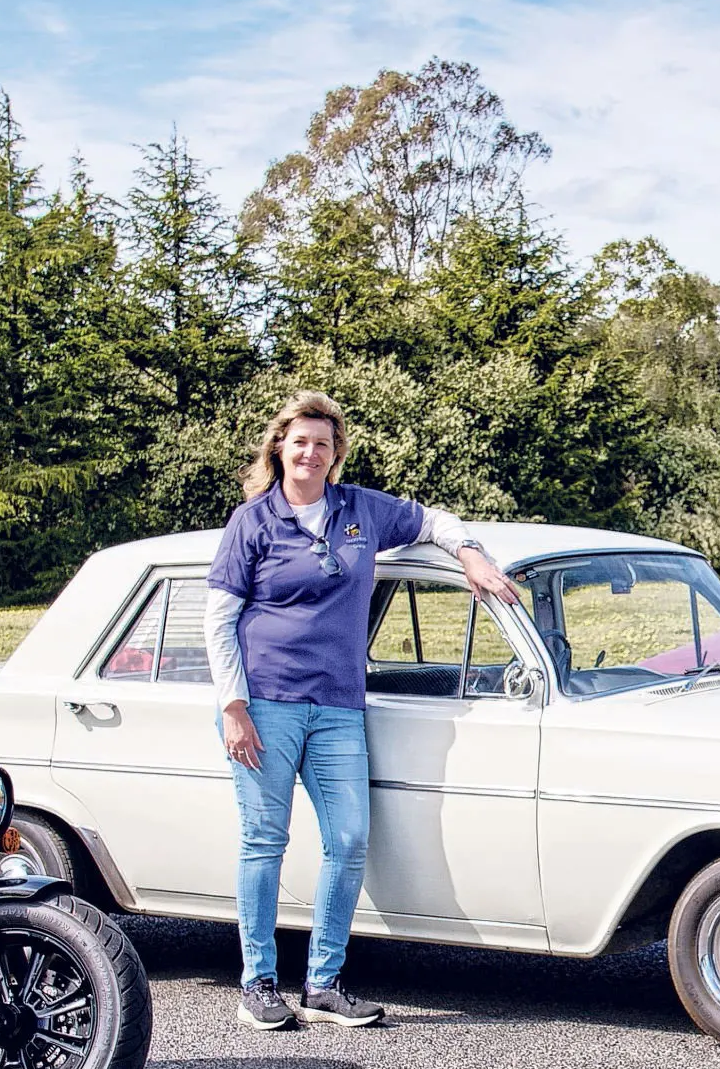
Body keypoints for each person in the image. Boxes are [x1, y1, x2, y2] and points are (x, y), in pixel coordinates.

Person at [206, 391, 516, 1033]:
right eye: (300, 442)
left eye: (323, 443)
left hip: (338, 706)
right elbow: (219, 619)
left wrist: (471, 553)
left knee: (347, 841)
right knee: (264, 841)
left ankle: (323, 983)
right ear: (279, 449)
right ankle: (258, 984)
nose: (311, 453)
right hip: (264, 702)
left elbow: (435, 521)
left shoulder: (359, 510)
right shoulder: (253, 521)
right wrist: (233, 705)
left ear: (336, 453)